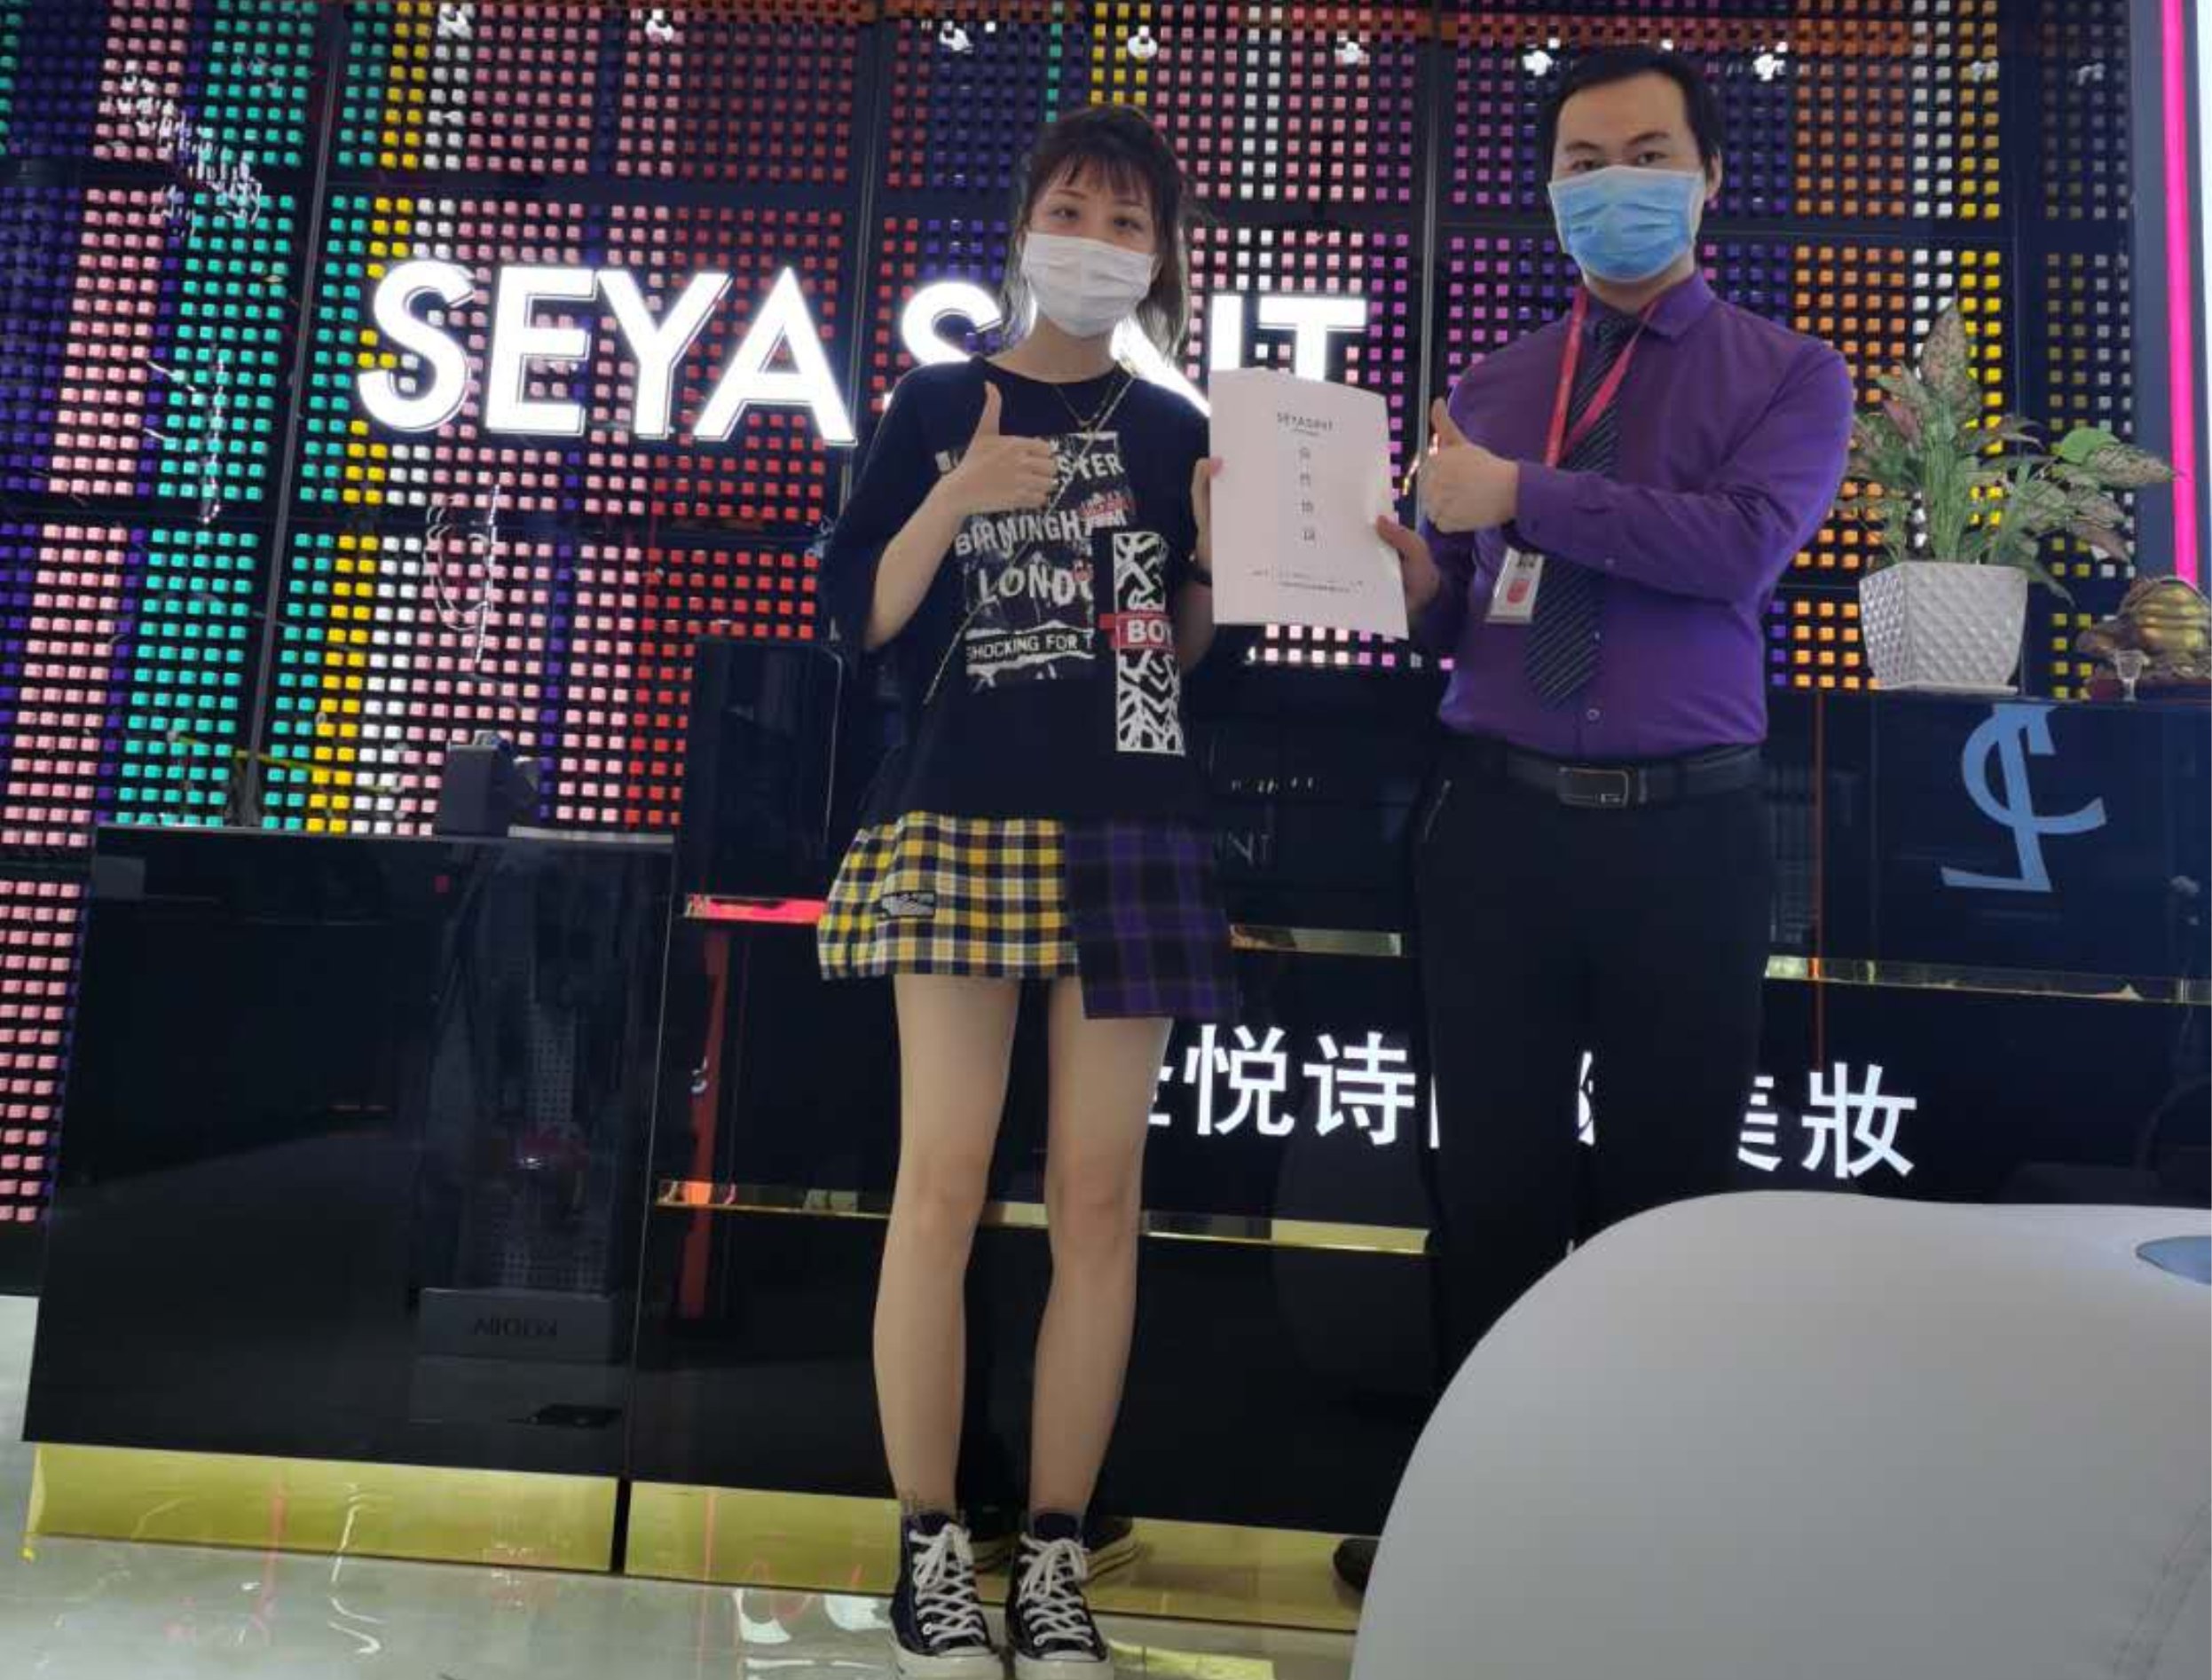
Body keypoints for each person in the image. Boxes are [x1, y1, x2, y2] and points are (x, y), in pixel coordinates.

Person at [1342, 45, 1854, 1589]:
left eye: (1644, 154)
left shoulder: (1788, 373)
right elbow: (1466, 618)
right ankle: (1471, 1527)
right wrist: (1415, 579)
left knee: (1665, 1203)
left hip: (1684, 841)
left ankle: (1642, 1542)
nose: (1609, 184)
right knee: (1486, 1191)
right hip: (1492, 829)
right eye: (1580, 160)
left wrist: (1525, 496)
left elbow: (1736, 549)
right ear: (1547, 186)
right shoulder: (1492, 387)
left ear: (1707, 179)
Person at [816, 104, 1231, 1680]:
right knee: (938, 1180)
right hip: (960, 815)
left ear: (1160, 258)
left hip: (1130, 825)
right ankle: (930, 1545)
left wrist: (1211, 563)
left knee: (1100, 1198)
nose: (1095, 241)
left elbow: (1167, 667)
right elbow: (861, 615)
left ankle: (1054, 1555)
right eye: (1072, 208)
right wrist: (961, 490)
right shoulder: (938, 400)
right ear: (1021, 228)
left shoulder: (1176, 428)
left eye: (1127, 221)